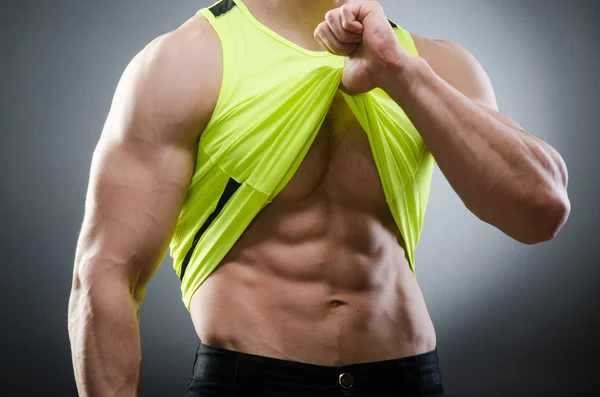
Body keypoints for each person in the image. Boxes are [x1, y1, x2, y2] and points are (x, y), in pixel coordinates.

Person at [67, 0, 571, 396]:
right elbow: (105, 273)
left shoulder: (433, 64)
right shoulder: (188, 59)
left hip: (405, 378)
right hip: (253, 381)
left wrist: (399, 70)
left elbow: (540, 210)